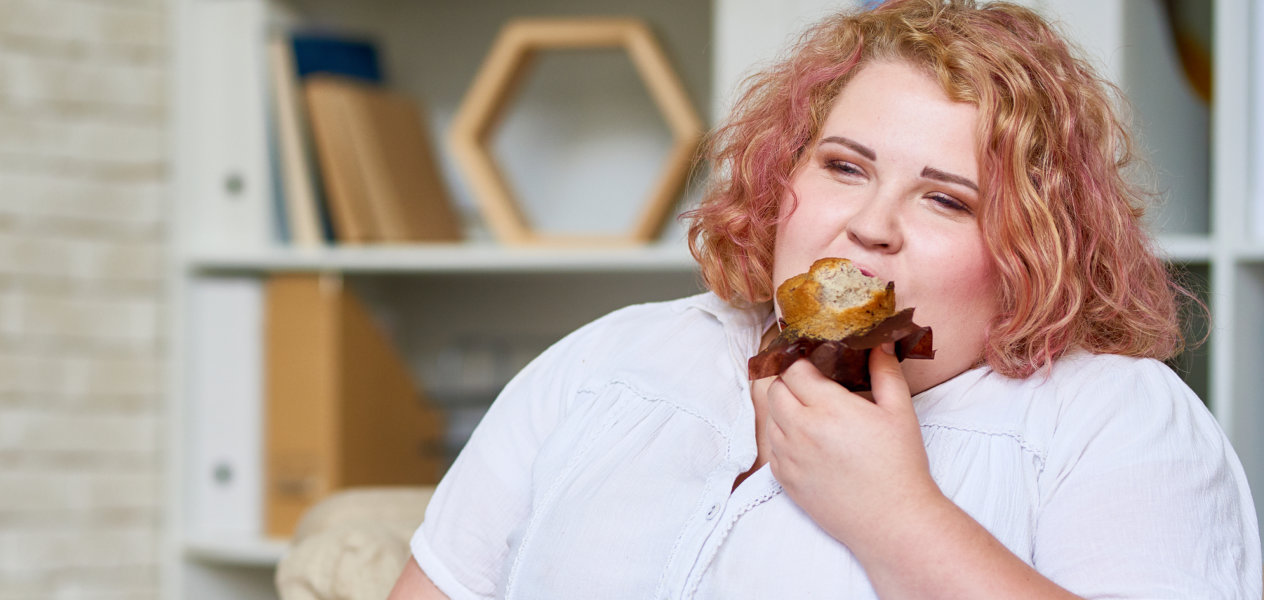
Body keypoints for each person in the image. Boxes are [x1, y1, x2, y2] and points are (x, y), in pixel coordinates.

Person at [389, 0, 1260, 598]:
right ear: (780, 179)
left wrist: (895, 517)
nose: (870, 226)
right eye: (844, 167)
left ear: (1032, 247)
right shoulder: (607, 363)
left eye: (947, 197)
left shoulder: (1115, 420)